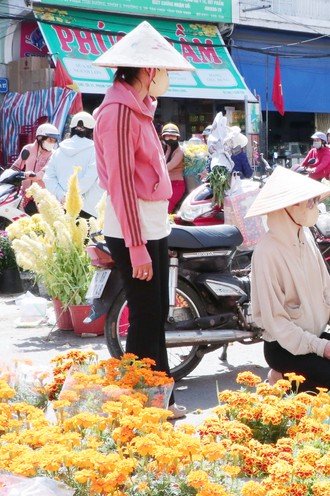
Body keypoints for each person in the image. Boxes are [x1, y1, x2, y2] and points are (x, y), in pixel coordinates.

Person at [92, 20, 195, 417]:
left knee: (155, 317)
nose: (167, 79)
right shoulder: (117, 111)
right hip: (131, 228)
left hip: (152, 224)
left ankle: (160, 399)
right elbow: (119, 185)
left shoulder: (140, 109)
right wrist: (136, 247)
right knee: (144, 318)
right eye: (165, 71)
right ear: (147, 71)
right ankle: (135, 404)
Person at [245, 167, 330, 390]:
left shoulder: (306, 236)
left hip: (315, 338)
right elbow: (276, 322)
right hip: (285, 347)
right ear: (288, 208)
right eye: (309, 202)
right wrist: (319, 347)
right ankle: (280, 381)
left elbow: (328, 295)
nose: (315, 206)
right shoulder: (266, 252)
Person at [43, 112, 105, 217]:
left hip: (61, 207)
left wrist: (62, 195)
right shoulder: (95, 151)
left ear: (71, 129)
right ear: (92, 131)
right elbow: (89, 178)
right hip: (86, 210)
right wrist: (72, 196)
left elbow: (48, 177)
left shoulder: (58, 151)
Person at [12, 122, 59, 213]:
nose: (52, 143)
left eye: (54, 141)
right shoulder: (28, 149)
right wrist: (7, 175)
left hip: (41, 197)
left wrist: (34, 176)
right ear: (40, 138)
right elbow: (17, 165)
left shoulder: (53, 154)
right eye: (50, 140)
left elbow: (45, 171)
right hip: (25, 194)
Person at [160, 123, 186, 214]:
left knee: (167, 210)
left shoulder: (179, 152)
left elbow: (167, 167)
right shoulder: (169, 149)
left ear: (177, 138)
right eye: (167, 136)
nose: (170, 138)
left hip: (177, 185)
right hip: (168, 184)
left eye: (173, 136)